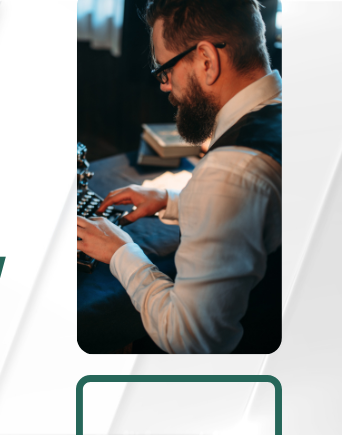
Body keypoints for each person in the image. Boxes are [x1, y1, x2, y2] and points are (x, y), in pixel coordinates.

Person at [76, 0, 281, 353]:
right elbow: (259, 214)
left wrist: (121, 250)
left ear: (206, 60)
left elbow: (188, 338)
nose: (164, 87)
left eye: (165, 70)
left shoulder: (229, 173)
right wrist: (171, 201)